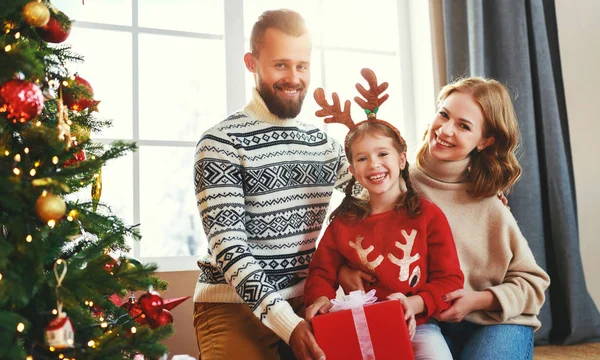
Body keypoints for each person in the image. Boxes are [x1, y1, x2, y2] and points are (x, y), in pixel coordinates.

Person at [339, 76, 551, 359]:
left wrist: (477, 300)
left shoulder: (490, 203)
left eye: (464, 126)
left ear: (484, 141)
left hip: (493, 322)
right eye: (444, 115)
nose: (446, 130)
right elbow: (347, 243)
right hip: (425, 322)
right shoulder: (391, 184)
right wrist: (344, 272)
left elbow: (533, 283)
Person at [191, 9, 354, 360]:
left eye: (302, 65)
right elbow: (229, 248)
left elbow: (377, 196)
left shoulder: (324, 144)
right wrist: (287, 323)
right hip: (233, 307)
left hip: (309, 302)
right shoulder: (221, 142)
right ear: (252, 63)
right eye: (281, 65)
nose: (294, 78)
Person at [303, 69, 464, 359]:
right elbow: (321, 271)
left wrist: (413, 304)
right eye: (362, 158)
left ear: (402, 159)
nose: (373, 164)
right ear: (352, 170)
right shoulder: (344, 222)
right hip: (360, 323)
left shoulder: (428, 215)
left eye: (382, 154)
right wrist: (320, 297)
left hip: (419, 325)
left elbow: (450, 280)